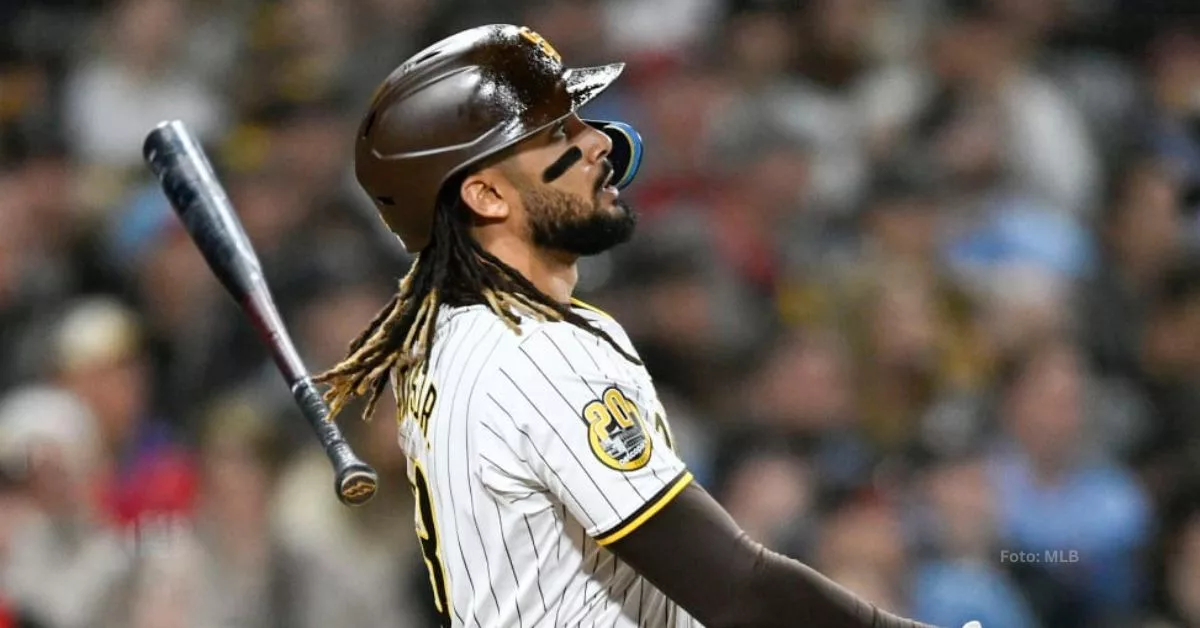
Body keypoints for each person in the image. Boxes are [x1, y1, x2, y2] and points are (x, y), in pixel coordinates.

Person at [315, 24, 982, 628]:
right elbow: (736, 590)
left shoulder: (457, 337)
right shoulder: (537, 352)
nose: (600, 141)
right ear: (486, 194)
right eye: (557, 135)